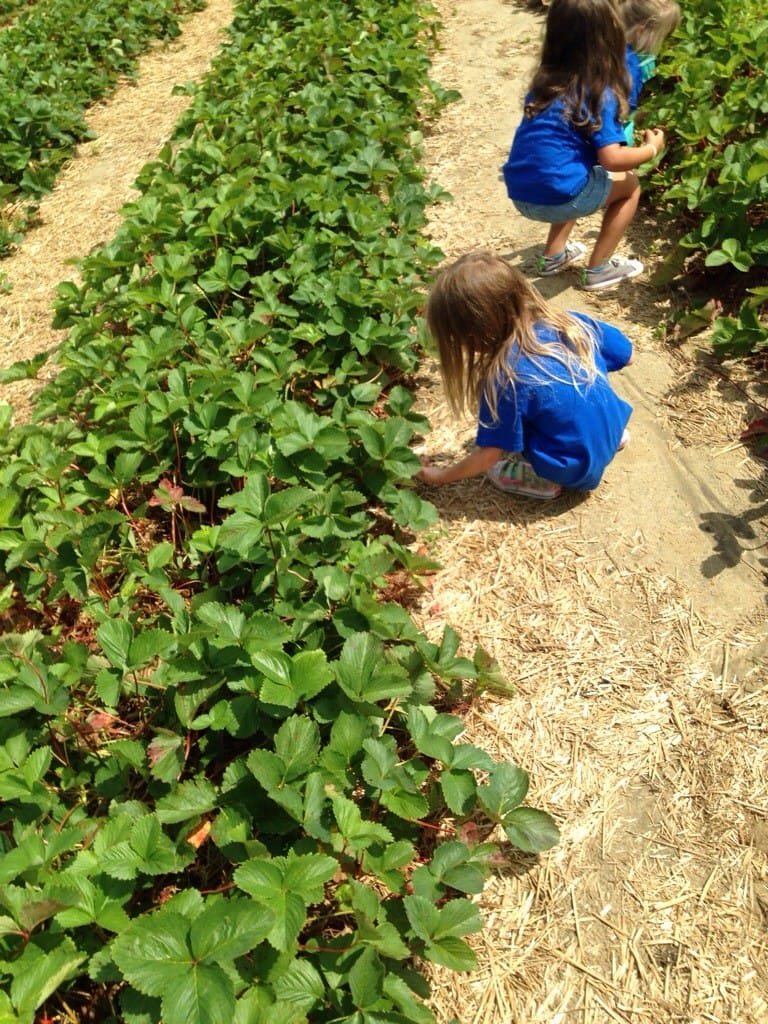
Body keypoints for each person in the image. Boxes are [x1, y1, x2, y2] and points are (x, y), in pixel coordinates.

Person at [416, 251, 633, 499]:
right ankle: (601, 439)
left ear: (473, 334)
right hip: (615, 429)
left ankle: (545, 481)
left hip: (573, 470)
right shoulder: (572, 323)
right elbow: (629, 355)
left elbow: (489, 454)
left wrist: (440, 476)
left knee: (498, 465)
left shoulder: (505, 375)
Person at [501, 0, 666, 291]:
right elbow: (613, 159)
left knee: (574, 170)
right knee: (629, 188)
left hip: (520, 192)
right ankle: (598, 270)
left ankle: (553, 256)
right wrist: (652, 149)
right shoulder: (599, 93)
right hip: (558, 197)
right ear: (611, 36)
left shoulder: (543, 83)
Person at [619, 0, 681, 145]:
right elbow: (612, 123)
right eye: (661, 36)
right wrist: (650, 149)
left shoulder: (598, 46)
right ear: (642, 31)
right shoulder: (629, 68)